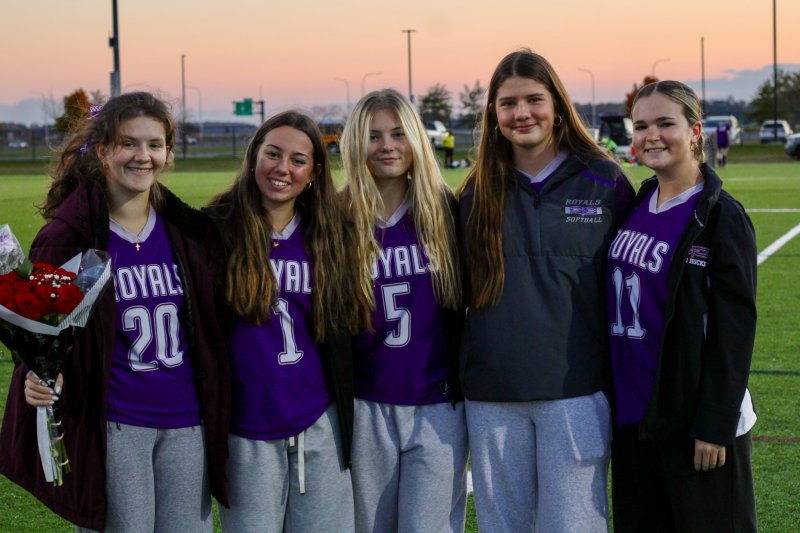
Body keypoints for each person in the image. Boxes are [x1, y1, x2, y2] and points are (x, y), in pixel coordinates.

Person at [0, 92, 230, 532]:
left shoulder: (187, 231)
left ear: (168, 152)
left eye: (155, 144)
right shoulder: (70, 236)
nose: (143, 156)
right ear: (103, 151)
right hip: (115, 425)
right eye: (129, 143)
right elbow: (40, 328)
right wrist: (35, 373)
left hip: (187, 424)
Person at [456, 49, 634, 532]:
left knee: (574, 524)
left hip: (576, 392)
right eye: (508, 103)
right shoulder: (474, 192)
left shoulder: (604, 180)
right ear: (493, 114)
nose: (522, 113)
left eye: (534, 99)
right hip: (492, 395)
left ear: (557, 106)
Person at [607, 81, 757, 532]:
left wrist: (714, 423)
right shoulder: (637, 203)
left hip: (692, 419)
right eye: (641, 126)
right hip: (634, 415)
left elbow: (734, 331)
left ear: (694, 131)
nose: (651, 135)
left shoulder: (721, 216)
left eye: (664, 124)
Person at [204, 111, 356, 532]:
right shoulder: (214, 228)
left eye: (297, 160)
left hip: (319, 422)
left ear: (314, 172)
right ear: (254, 156)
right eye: (272, 154)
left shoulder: (330, 231)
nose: (282, 168)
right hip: (246, 429)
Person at [340, 88, 468, 533]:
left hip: (437, 404)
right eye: (373, 136)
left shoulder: (445, 211)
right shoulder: (337, 218)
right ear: (355, 144)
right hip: (365, 404)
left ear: (416, 138)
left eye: (398, 133)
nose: (387, 146)